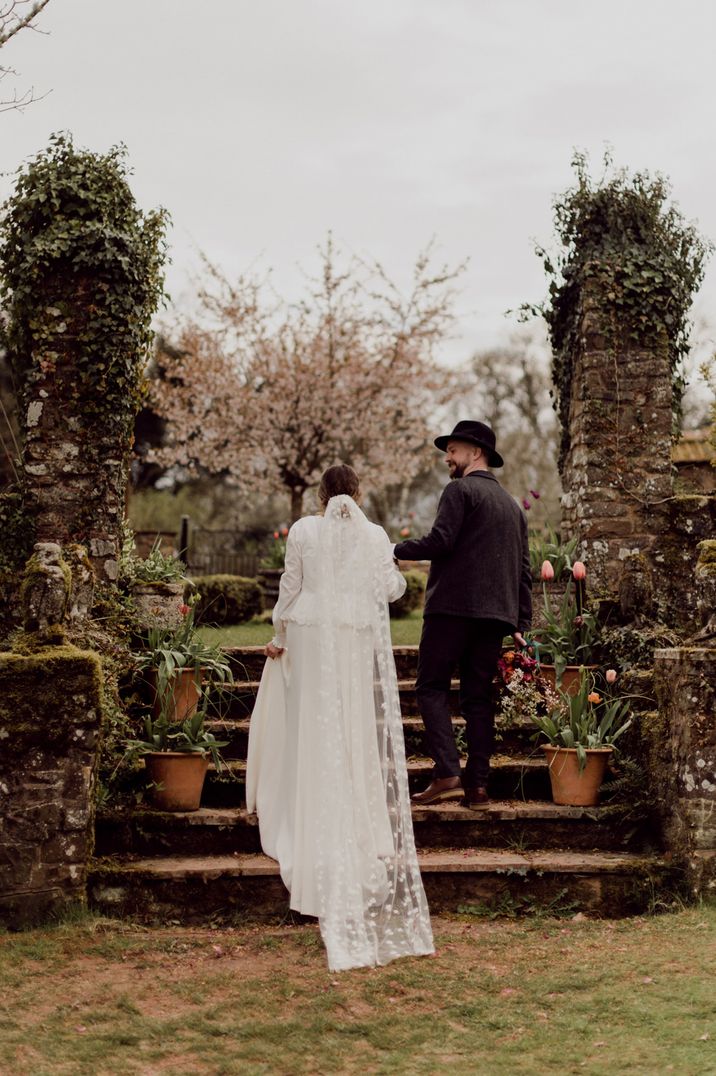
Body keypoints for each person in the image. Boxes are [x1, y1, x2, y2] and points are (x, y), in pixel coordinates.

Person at [246, 463, 434, 972]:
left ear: (321, 495)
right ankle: (359, 821)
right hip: (352, 635)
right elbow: (394, 589)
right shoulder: (374, 535)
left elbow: (290, 584)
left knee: (311, 723)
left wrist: (279, 637)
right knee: (349, 724)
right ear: (356, 493)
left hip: (307, 633)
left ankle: (304, 810)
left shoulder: (305, 529)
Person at [393, 421, 532, 809]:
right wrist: (522, 624)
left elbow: (440, 542)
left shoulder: (459, 490)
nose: (447, 458)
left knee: (431, 687)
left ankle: (447, 772)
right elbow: (523, 570)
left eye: (453, 450)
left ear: (476, 453)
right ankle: (478, 788)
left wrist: (393, 549)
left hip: (452, 609)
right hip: (495, 616)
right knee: (477, 700)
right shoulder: (513, 507)